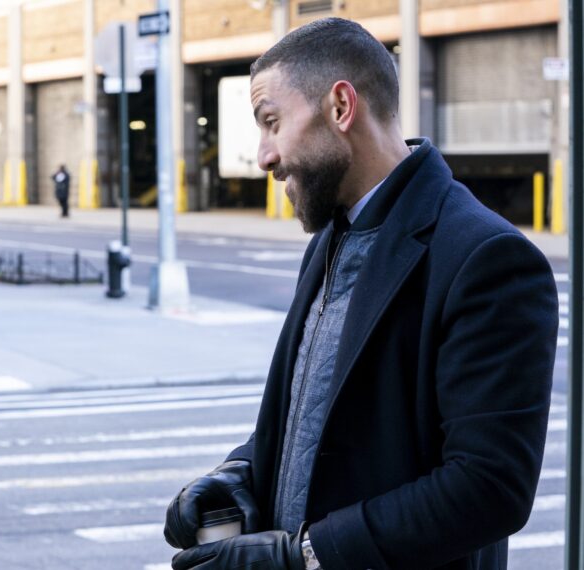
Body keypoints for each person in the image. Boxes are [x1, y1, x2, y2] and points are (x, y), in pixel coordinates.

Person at [163, 18, 558, 570]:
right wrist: (238, 475)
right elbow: (310, 423)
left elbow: (489, 488)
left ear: (341, 107)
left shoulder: (486, 258)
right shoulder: (330, 238)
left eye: (272, 123)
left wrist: (303, 557)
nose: (264, 156)